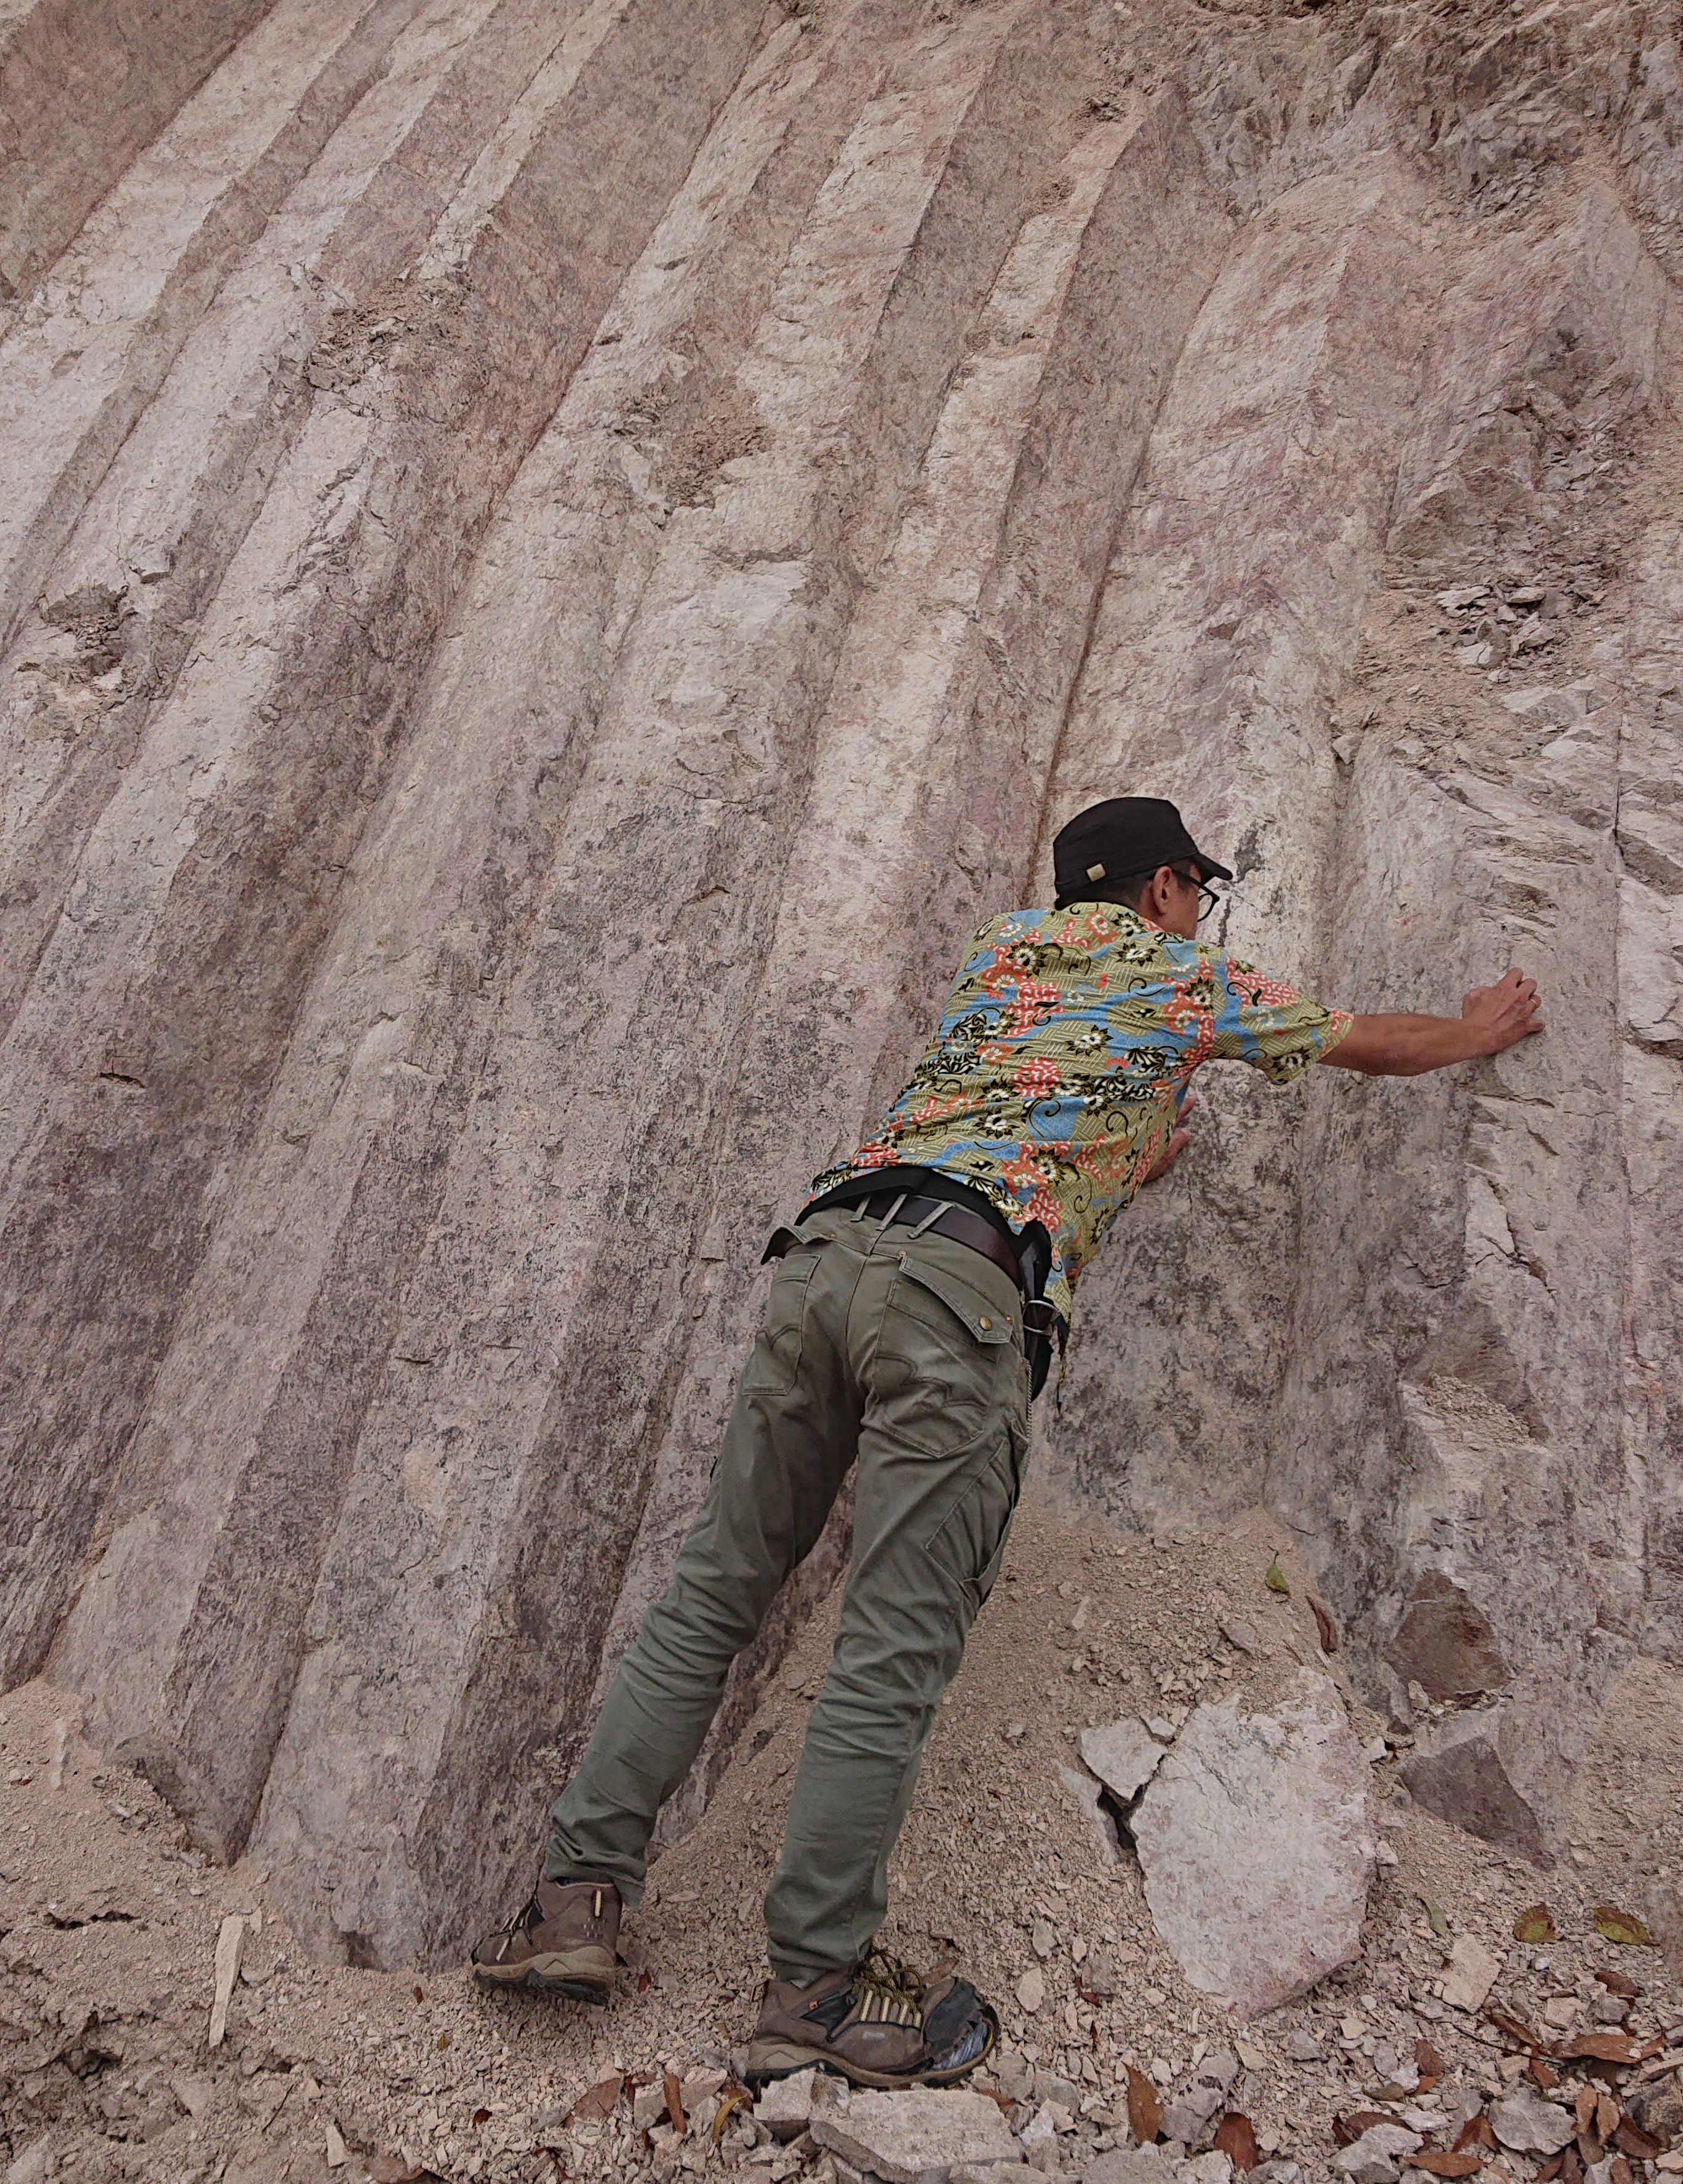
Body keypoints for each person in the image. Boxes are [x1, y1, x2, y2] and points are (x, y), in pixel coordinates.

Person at [469, 795, 1543, 2087]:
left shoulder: (998, 953)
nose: (1201, 911)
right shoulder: (1174, 968)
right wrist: (1475, 1030)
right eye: (1197, 890)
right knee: (888, 1649)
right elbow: (1358, 1040)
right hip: (958, 1298)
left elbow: (1015, 1096)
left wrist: (1112, 1166)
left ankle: (570, 1909)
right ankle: (814, 1988)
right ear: (1159, 891)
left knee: (711, 1594)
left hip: (828, 1257)